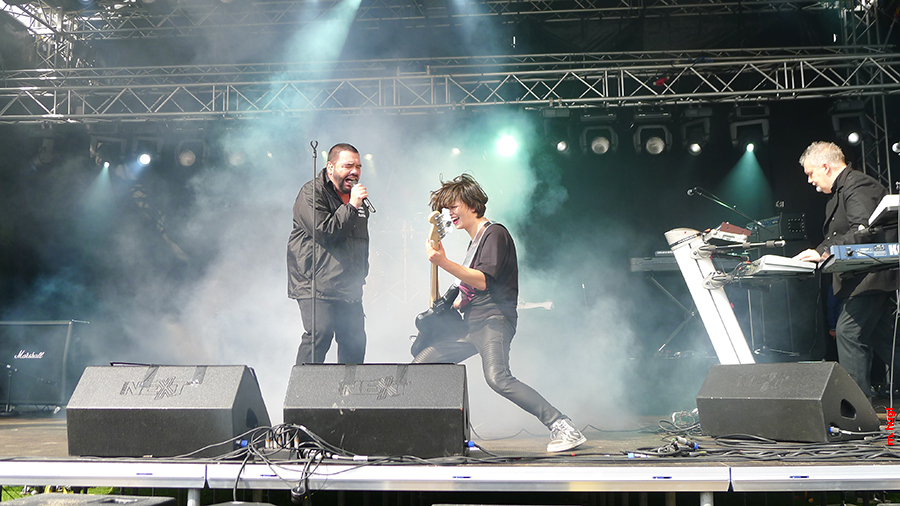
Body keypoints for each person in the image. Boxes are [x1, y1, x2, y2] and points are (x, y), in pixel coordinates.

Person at [413, 174, 587, 453]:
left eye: (453, 206)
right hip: (472, 324)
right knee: (423, 362)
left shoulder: (494, 233)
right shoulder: (475, 242)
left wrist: (443, 262)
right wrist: (455, 305)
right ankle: (432, 434)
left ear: (472, 205)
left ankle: (562, 425)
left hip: (493, 321)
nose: (449, 214)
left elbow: (484, 280)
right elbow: (474, 288)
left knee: (498, 378)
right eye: (445, 209)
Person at [792, 141, 898, 399]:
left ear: (825, 167)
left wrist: (822, 252)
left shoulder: (858, 185)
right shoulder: (839, 194)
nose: (810, 181)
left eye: (811, 173)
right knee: (885, 339)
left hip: (870, 276)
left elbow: (863, 231)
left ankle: (857, 406)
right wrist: (818, 252)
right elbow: (841, 236)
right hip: (862, 277)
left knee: (848, 334)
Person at [287, 143, 370, 365]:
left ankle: (349, 387)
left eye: (358, 167)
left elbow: (360, 241)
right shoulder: (312, 193)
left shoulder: (356, 199)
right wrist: (351, 206)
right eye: (348, 166)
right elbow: (325, 232)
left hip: (348, 285)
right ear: (330, 167)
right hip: (316, 282)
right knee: (320, 335)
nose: (354, 171)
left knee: (355, 342)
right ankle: (304, 387)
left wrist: (361, 274)